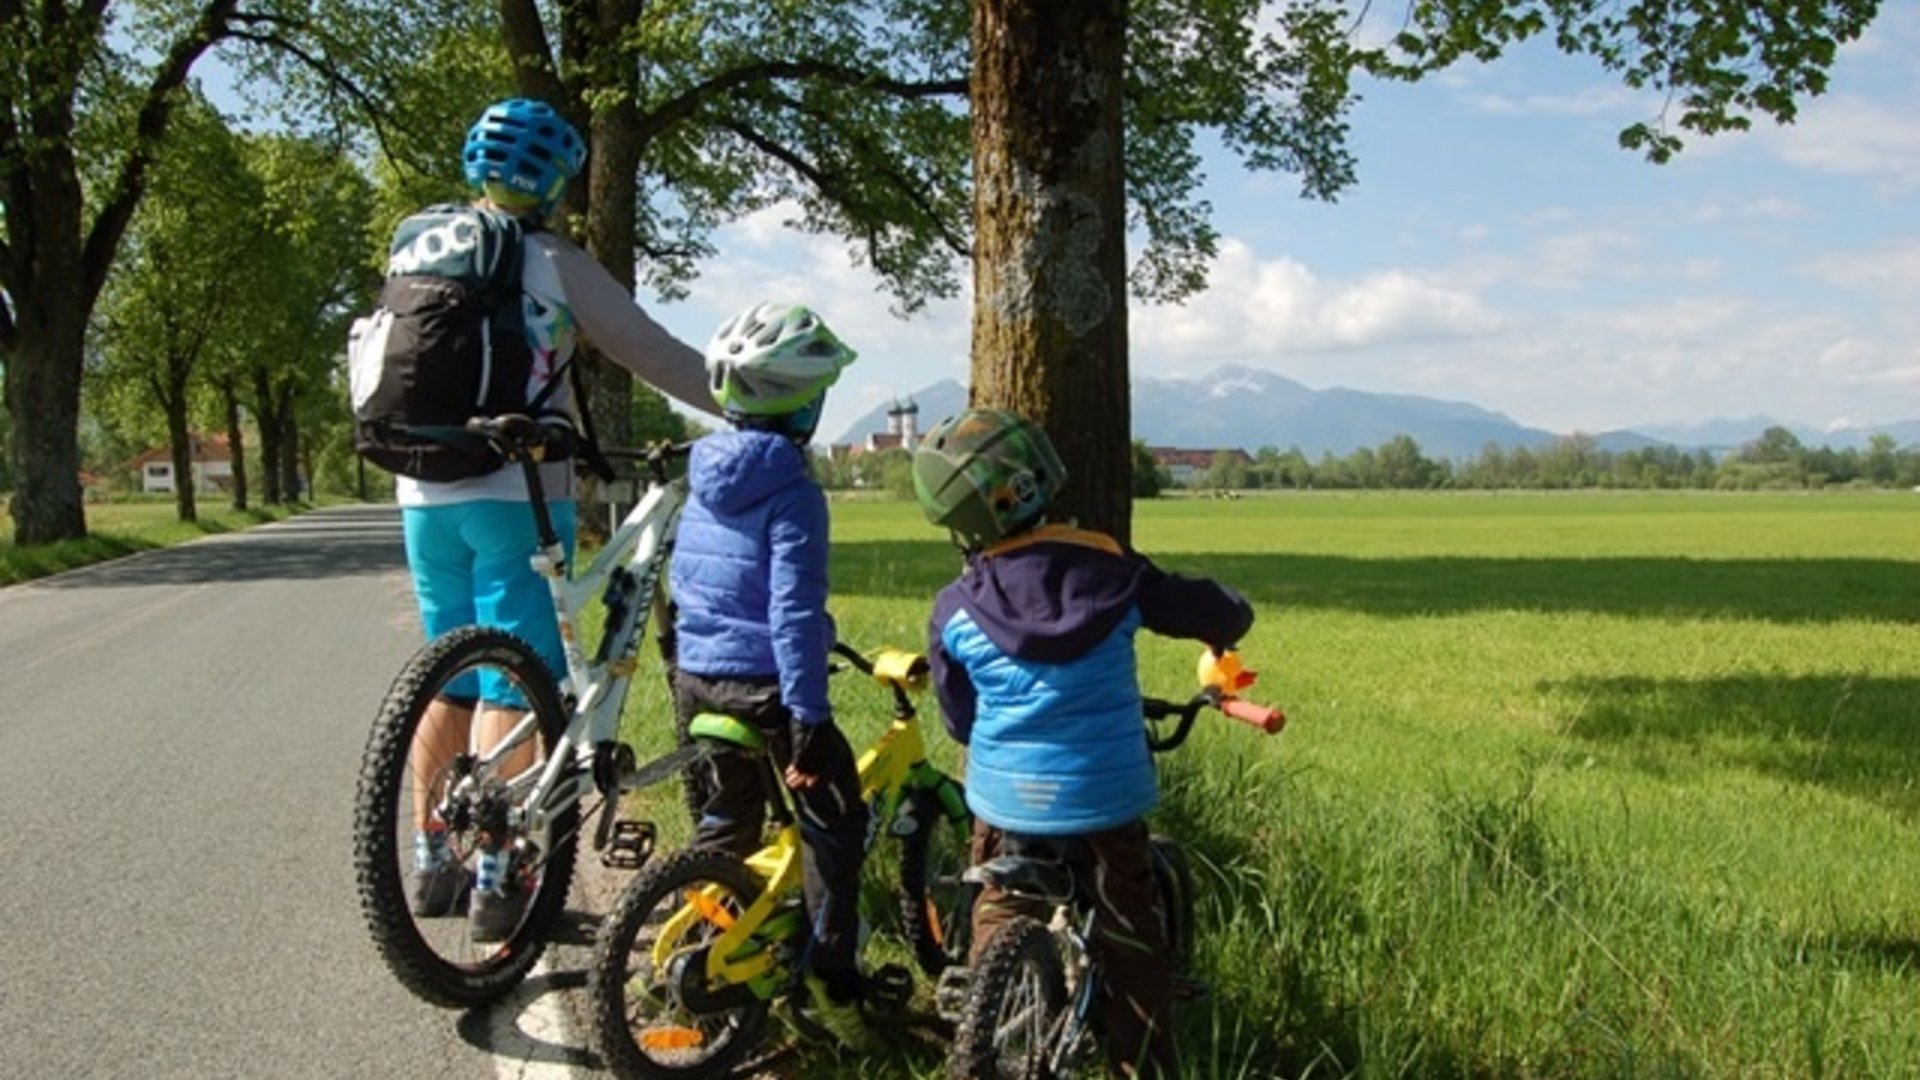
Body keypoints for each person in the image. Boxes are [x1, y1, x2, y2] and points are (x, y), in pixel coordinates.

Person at [400, 98, 718, 943]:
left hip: (420, 484)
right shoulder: (552, 258)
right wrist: (748, 405)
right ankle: (501, 875)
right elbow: (649, 350)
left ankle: (432, 855)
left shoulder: (418, 240)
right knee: (519, 672)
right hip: (514, 482)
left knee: (452, 672)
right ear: (554, 181)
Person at [913, 409, 1254, 1080]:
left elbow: (958, 720)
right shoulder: (1110, 570)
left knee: (998, 904)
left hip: (1006, 800)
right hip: (1104, 796)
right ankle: (1141, 1063)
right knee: (1132, 947)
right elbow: (1222, 612)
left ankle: (992, 1004)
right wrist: (1227, 619)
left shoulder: (954, 606)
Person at [667, 301, 874, 1045]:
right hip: (766, 691)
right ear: (808, 401)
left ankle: (704, 942)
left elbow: (689, 585)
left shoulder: (704, 473)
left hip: (697, 677)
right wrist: (810, 720)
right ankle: (829, 982)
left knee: (729, 816)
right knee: (838, 824)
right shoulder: (793, 491)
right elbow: (791, 613)